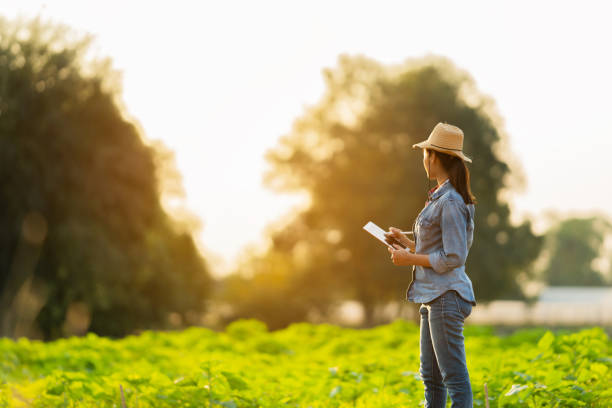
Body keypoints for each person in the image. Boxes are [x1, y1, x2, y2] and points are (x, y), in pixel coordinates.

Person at [384, 122, 477, 408]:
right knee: (431, 380)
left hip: (446, 297)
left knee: (453, 380)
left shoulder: (449, 201)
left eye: (425, 153)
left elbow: (454, 256)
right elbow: (439, 248)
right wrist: (407, 242)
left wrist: (409, 259)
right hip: (433, 297)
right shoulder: (441, 197)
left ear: (434, 157)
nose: (423, 159)